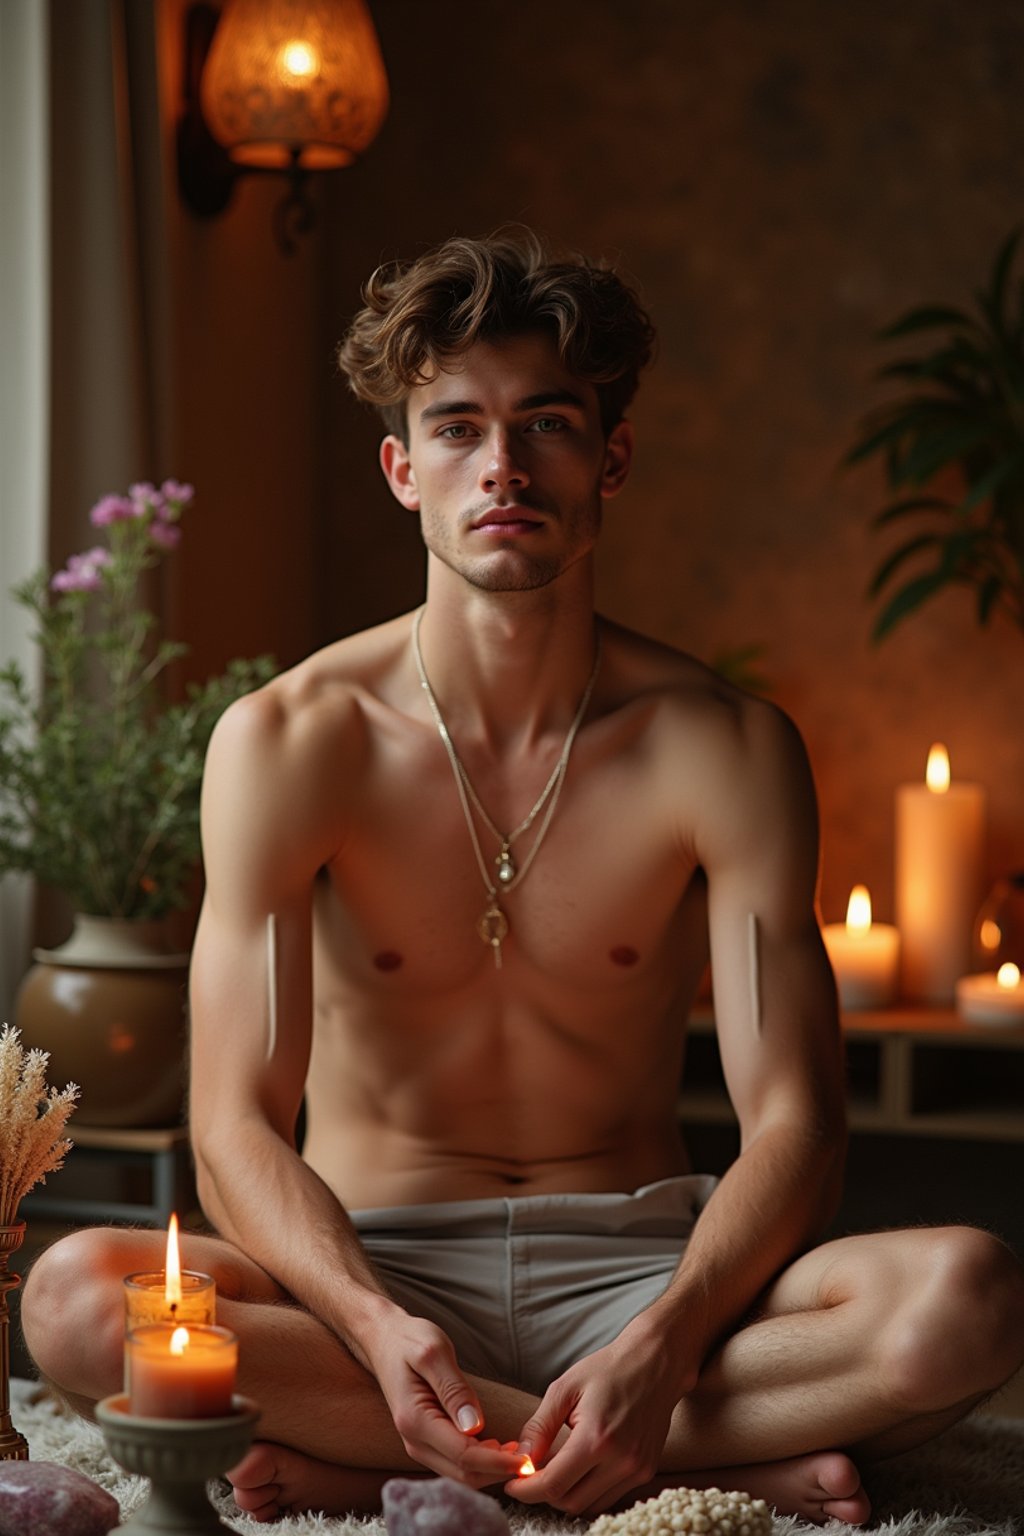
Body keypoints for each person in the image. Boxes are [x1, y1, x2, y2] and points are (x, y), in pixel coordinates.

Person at [22, 229, 1024, 1527]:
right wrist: (377, 1329)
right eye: (455, 428)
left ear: (609, 459)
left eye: (545, 424)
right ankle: (678, 1460)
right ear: (401, 469)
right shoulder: (287, 740)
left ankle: (420, 1455)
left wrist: (664, 1343)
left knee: (970, 1298)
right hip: (370, 1267)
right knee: (74, 1300)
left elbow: (800, 1127)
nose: (501, 466)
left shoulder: (723, 746)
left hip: (649, 1269)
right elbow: (233, 1128)